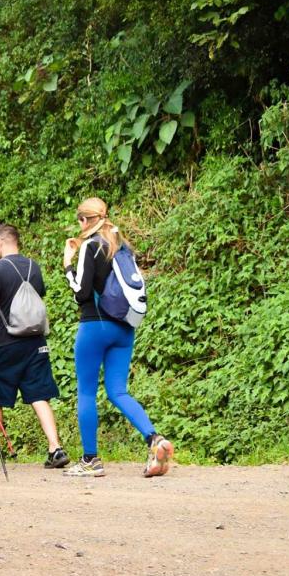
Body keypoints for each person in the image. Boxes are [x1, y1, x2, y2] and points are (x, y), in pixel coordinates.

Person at [64, 197, 174, 478]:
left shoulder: (91, 246)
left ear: (86, 220)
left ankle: (91, 460)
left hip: (95, 325)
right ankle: (154, 439)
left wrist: (68, 265)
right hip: (124, 327)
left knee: (87, 392)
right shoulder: (120, 244)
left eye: (79, 219)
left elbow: (82, 293)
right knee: (118, 391)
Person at [0, 223, 69, 471]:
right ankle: (55, 448)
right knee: (39, 396)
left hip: (6, 343)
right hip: (35, 341)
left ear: (0, 242)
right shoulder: (34, 266)